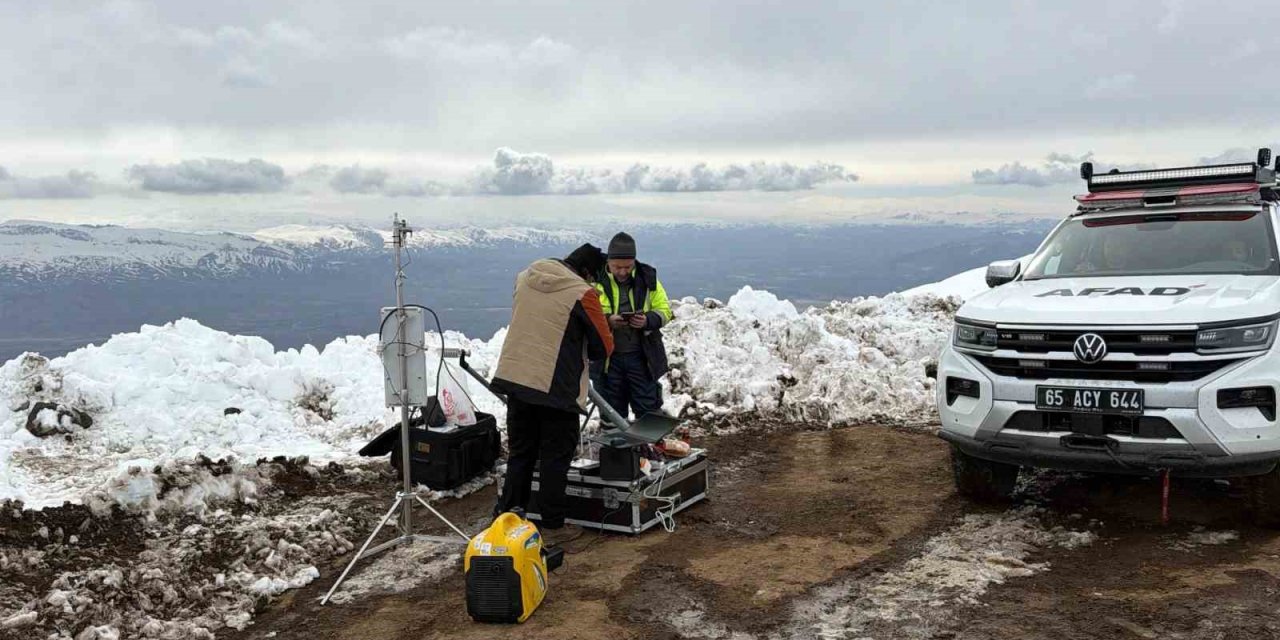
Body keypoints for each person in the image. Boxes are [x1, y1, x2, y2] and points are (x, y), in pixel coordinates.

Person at [491, 244, 613, 539]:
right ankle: (553, 526)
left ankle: (505, 518)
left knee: (521, 453)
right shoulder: (583, 293)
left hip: (517, 380)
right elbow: (603, 347)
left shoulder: (525, 277)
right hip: (557, 388)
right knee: (555, 459)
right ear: (588, 273)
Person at [592, 232, 673, 420]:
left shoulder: (647, 279)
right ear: (608, 262)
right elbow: (585, 316)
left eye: (628, 267)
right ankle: (617, 449)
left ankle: (647, 448)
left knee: (648, 409)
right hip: (607, 361)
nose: (622, 272)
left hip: (642, 358)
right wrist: (607, 321)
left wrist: (647, 320)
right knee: (611, 413)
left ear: (634, 262)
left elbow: (664, 310)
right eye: (617, 267)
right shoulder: (595, 281)